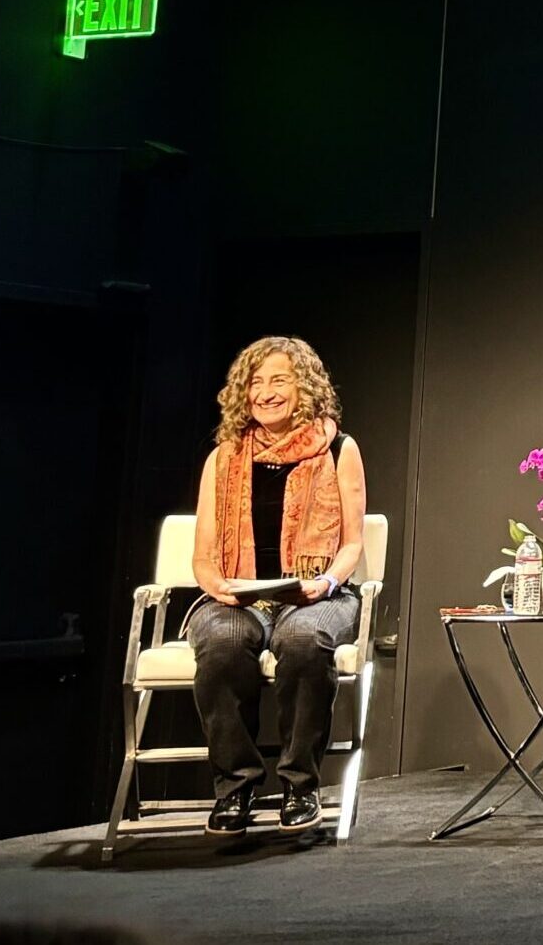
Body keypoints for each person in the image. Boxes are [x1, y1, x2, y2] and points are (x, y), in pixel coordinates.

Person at [187, 336, 369, 836]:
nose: (265, 393)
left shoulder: (339, 448)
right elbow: (203, 556)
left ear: (304, 387)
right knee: (222, 641)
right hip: (237, 594)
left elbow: (352, 545)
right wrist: (219, 587)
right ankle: (236, 787)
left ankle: (300, 785)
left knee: (303, 640)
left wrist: (328, 580)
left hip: (318, 591)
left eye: (279, 381)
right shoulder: (223, 458)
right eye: (256, 383)